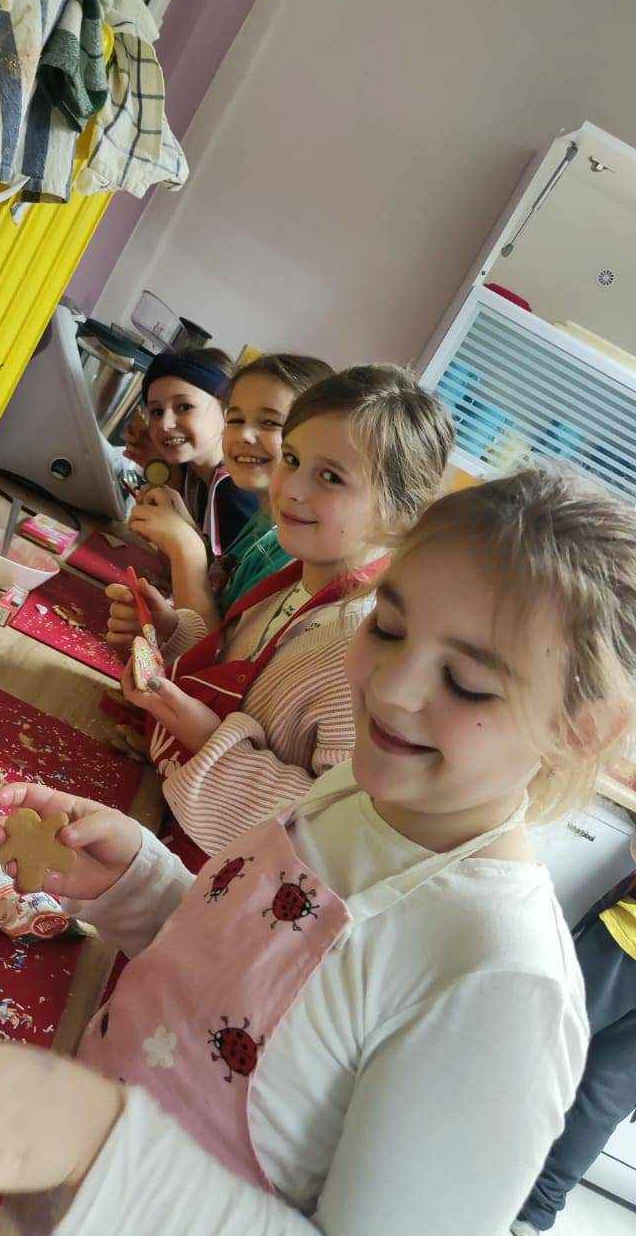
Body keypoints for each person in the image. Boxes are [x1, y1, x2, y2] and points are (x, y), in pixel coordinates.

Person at [0, 464, 636, 1236]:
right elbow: (253, 1019)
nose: (392, 688)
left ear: (581, 728)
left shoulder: (499, 983)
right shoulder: (362, 791)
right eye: (388, 627)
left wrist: (96, 1145)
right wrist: (137, 883)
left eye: (465, 683)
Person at [119, 365, 455, 866]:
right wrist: (171, 632)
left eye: (330, 477)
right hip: (159, 811)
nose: (291, 488)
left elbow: (329, 828)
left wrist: (207, 739)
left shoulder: (362, 645)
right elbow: (242, 672)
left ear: (399, 513)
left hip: (212, 875)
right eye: (293, 459)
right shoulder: (298, 576)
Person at [109, 352, 332, 633]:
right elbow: (219, 605)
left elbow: (216, 648)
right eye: (236, 419)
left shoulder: (285, 545)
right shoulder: (263, 522)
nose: (244, 435)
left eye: (270, 422)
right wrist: (166, 623)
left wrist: (186, 548)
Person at [511, 862, 636, 1236]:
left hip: (624, 946)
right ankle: (537, 1209)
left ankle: (466, 1152)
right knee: (603, 1100)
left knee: (541, 1046)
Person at [128, 344, 258, 561]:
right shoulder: (193, 471)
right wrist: (160, 466)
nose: (165, 424)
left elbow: (227, 578)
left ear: (229, 412)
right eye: (157, 412)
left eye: (184, 407)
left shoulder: (236, 491)